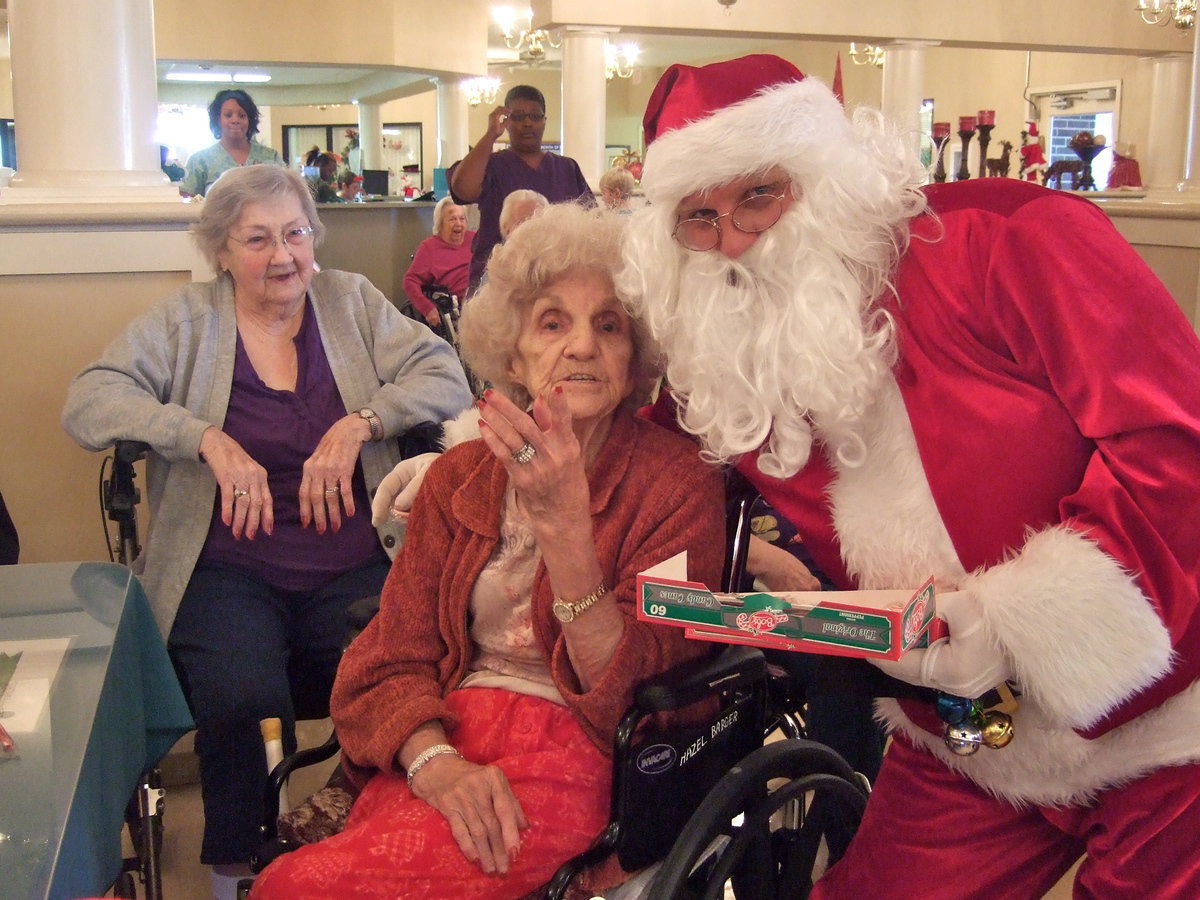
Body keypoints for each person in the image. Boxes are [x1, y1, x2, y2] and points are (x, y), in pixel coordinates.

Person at [618, 53, 1200, 898]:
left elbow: (1178, 441)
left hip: (1172, 710)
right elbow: (635, 455)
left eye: (757, 195)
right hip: (969, 735)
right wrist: (484, 475)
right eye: (698, 220)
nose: (734, 243)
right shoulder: (729, 360)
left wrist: (1020, 626)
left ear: (827, 175)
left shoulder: (1010, 237)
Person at [248, 202, 725, 899]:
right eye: (553, 323)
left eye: (610, 325)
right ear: (514, 354)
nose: (583, 347)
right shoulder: (460, 478)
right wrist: (434, 760)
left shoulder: (677, 486)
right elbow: (389, 659)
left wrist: (565, 527)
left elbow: (641, 704)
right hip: (444, 740)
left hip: (585, 759)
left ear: (638, 354)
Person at [61, 164, 473, 899]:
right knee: (242, 697)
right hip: (226, 573)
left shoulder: (349, 302)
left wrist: (361, 423)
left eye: (295, 233)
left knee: (405, 674)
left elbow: (446, 373)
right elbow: (90, 401)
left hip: (354, 562)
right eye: (257, 239)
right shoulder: (188, 321)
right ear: (221, 250)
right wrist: (200, 438)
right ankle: (241, 873)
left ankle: (375, 846)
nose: (282, 255)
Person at [448, 84, 593, 292]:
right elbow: (463, 189)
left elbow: (588, 222)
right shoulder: (491, 165)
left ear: (544, 122)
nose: (527, 123)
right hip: (498, 283)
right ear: (506, 122)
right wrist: (490, 135)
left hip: (556, 281)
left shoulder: (567, 168)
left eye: (535, 116)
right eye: (518, 116)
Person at [180, 89, 283, 198]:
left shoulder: (271, 157)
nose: (235, 120)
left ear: (250, 120)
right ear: (218, 120)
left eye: (242, 115)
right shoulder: (200, 161)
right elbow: (186, 200)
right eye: (228, 115)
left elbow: (286, 194)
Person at [403, 197, 475, 328]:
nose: (459, 224)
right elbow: (410, 281)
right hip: (463, 308)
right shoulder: (429, 248)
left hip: (487, 297)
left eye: (462, 218)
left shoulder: (475, 239)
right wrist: (427, 308)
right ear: (440, 224)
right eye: (452, 219)